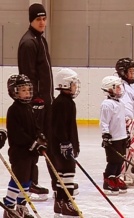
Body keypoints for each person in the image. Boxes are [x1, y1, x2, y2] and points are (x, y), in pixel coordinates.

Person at [17, 3, 55, 199]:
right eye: (38, 19)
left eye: (44, 18)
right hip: (37, 103)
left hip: (46, 101)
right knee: (34, 143)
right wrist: (35, 100)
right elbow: (27, 75)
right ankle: (29, 182)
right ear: (31, 20)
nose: (42, 22)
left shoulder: (40, 40)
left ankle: (35, 181)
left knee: (44, 141)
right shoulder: (29, 43)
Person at [2, 74, 47, 218]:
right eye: (23, 90)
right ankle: (9, 208)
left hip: (31, 153)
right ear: (13, 91)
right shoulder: (13, 110)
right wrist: (32, 143)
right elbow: (17, 133)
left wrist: (40, 137)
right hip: (20, 153)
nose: (27, 93)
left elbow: (35, 127)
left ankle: (21, 207)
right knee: (19, 179)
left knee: (28, 180)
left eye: (28, 90)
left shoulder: (29, 108)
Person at [51, 68, 81, 216]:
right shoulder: (62, 103)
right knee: (68, 172)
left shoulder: (67, 102)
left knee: (63, 174)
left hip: (65, 144)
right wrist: (65, 143)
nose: (76, 86)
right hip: (61, 146)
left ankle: (60, 203)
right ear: (65, 84)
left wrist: (75, 144)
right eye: (73, 83)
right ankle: (67, 202)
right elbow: (59, 126)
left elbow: (70, 127)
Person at [100, 75, 129, 195]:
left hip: (121, 137)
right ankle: (108, 180)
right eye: (117, 87)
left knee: (121, 159)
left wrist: (126, 134)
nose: (120, 89)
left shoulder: (120, 103)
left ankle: (116, 177)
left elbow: (121, 121)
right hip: (113, 138)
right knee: (113, 160)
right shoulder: (107, 104)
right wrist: (105, 134)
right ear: (109, 89)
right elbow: (104, 121)